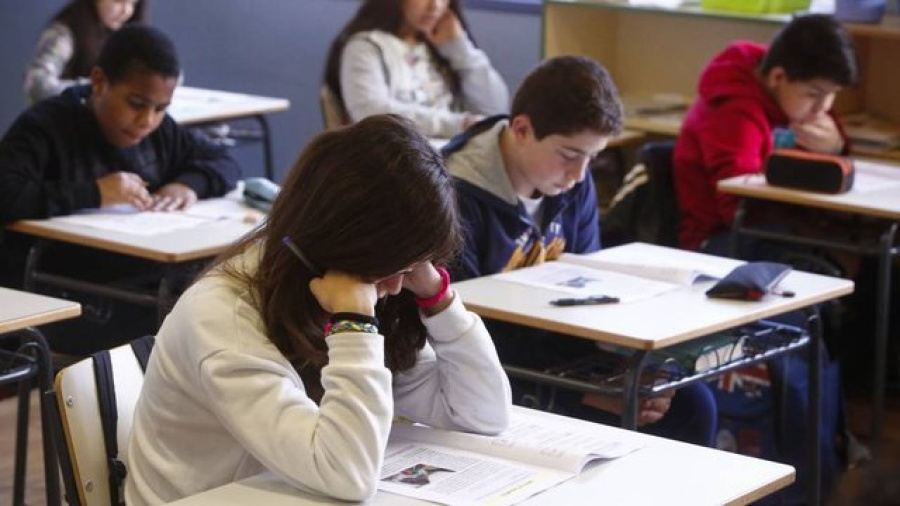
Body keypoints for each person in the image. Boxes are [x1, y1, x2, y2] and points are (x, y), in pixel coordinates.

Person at [125, 114, 511, 504]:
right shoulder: (224, 318)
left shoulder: (354, 289)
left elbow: (482, 414)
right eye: (391, 267)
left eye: (409, 269)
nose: (396, 287)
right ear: (344, 243)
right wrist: (354, 326)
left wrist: (437, 299)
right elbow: (346, 474)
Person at [443, 55, 717, 447]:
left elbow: (584, 289)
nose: (580, 175)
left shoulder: (570, 183)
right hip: (492, 369)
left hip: (560, 351)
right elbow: (457, 331)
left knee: (690, 404)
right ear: (522, 129)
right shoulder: (455, 197)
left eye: (593, 157)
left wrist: (623, 368)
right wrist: (583, 393)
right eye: (570, 155)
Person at [0, 24, 240, 353]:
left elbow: (223, 160)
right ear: (99, 82)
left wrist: (188, 184)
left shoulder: (160, 134)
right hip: (65, 286)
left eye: (160, 109)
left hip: (138, 279)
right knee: (179, 322)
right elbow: (7, 194)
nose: (147, 120)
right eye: (136, 103)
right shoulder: (46, 127)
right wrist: (94, 193)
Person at [673, 13, 858, 254]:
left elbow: (833, 150)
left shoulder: (797, 96)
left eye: (833, 94)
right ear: (777, 77)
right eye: (814, 94)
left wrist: (837, 149)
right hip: (720, 238)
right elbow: (739, 206)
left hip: (781, 228)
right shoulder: (735, 111)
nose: (823, 107)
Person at [323, 0, 508, 138]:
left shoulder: (442, 47)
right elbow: (371, 113)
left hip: (454, 158)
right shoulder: (365, 47)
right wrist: (458, 124)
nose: (435, 5)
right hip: (399, 162)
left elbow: (495, 111)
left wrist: (460, 48)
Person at [24, 0, 148, 104]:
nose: (126, 11)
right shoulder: (65, 33)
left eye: (133, 3)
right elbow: (37, 86)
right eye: (118, 1)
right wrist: (94, 88)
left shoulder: (122, 36)